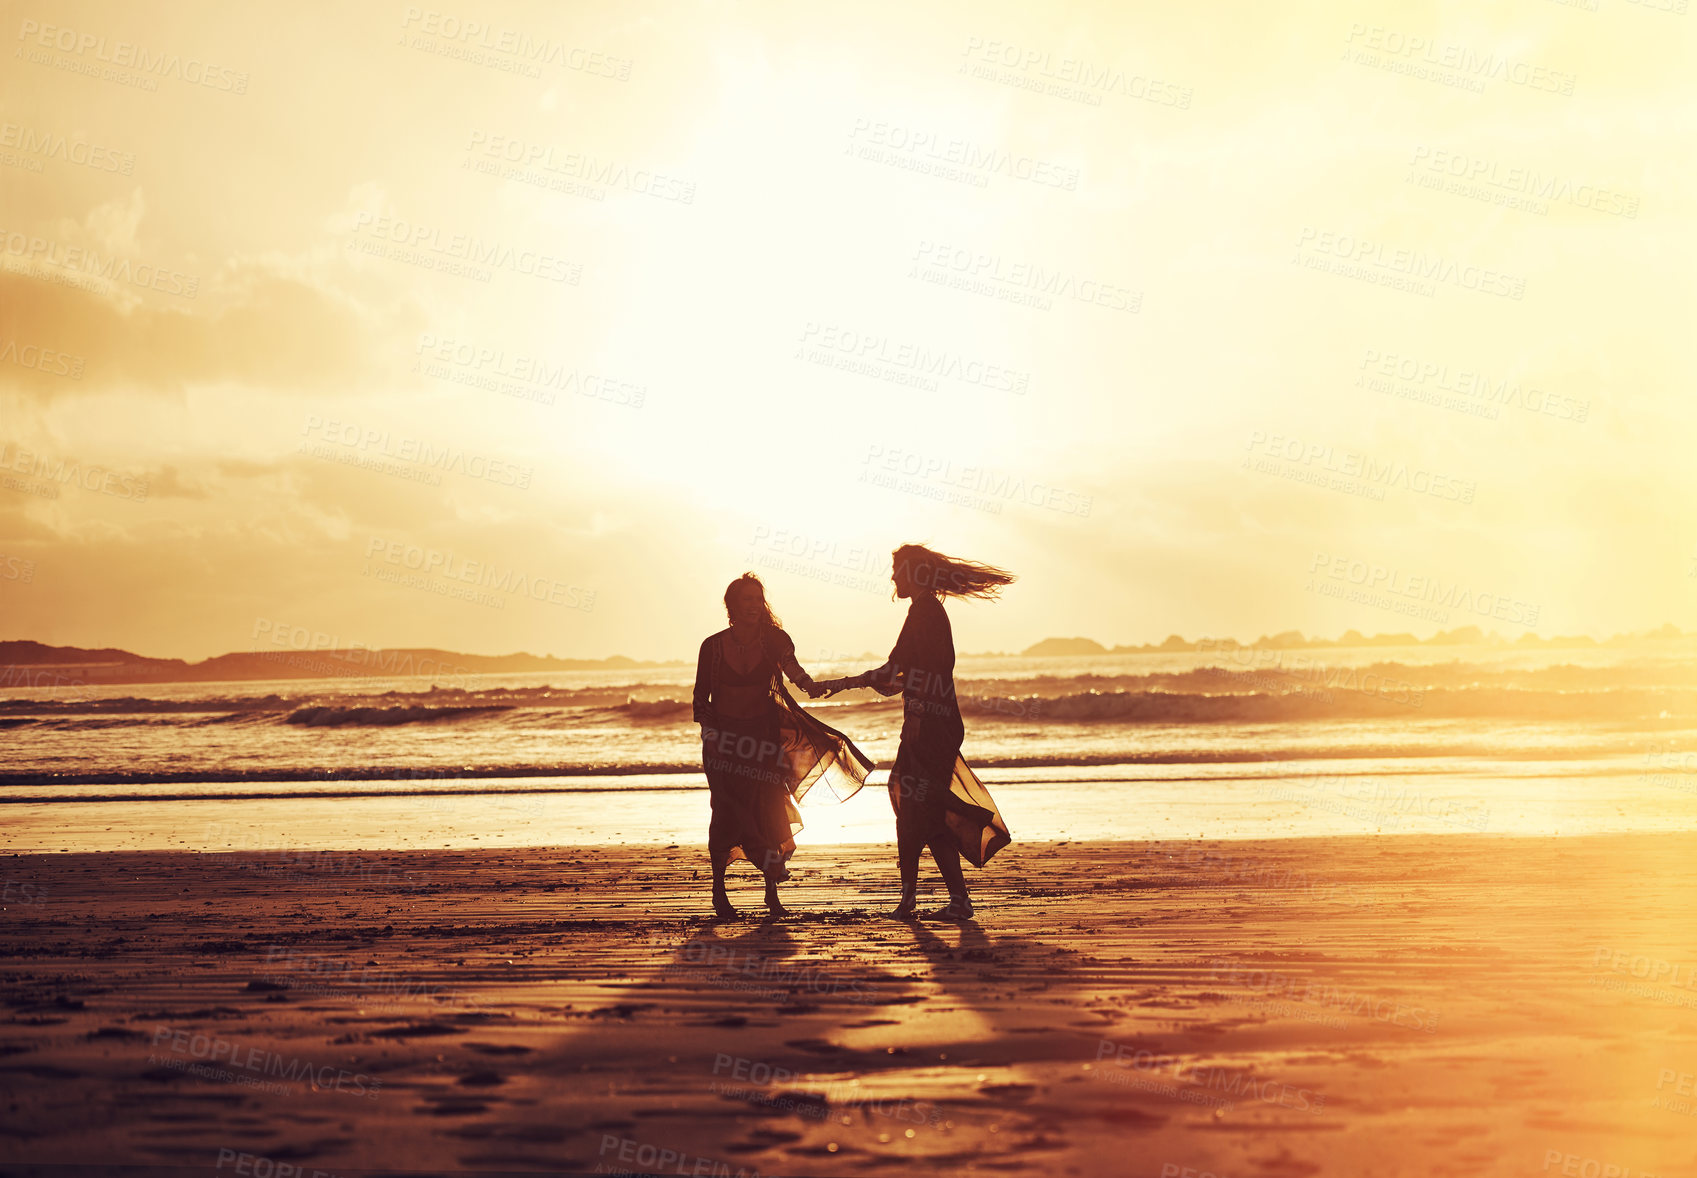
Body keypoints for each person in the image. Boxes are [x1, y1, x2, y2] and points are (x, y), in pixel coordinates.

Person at [818, 544, 1014, 920]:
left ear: (915, 573)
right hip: (931, 722)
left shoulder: (924, 612)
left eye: (897, 570)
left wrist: (843, 683)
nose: (892, 578)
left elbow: (894, 671)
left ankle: (921, 889)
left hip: (931, 726)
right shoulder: (927, 611)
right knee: (924, 810)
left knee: (913, 807)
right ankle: (954, 898)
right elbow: (904, 674)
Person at [693, 573, 874, 918]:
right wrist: (710, 733)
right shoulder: (712, 646)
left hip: (763, 741)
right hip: (723, 743)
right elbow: (701, 698)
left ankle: (771, 894)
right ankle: (719, 892)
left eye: (759, 599)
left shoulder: (774, 640)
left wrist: (813, 685)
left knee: (769, 809)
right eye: (747, 599)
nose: (755, 606)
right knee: (726, 812)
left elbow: (794, 672)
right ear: (731, 606)